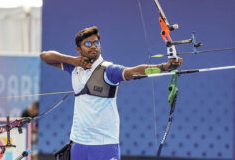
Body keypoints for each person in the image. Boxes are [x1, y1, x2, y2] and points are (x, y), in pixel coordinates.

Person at [40, 26, 183, 160]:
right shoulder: (74, 68)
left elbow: (132, 71)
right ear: (79, 49)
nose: (93, 47)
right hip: (78, 142)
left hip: (104, 144)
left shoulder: (108, 70)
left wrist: (164, 67)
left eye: (96, 43)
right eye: (88, 44)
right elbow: (45, 56)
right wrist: (72, 61)